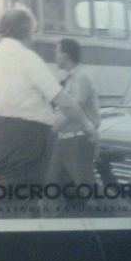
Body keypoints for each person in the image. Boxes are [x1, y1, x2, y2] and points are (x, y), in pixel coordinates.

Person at [0, 9, 96, 218]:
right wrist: (88, 126)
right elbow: (64, 102)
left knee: (7, 194)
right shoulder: (28, 59)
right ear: (26, 33)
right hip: (23, 139)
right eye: (33, 34)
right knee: (15, 203)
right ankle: (11, 241)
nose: (33, 39)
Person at [45, 38, 99, 216]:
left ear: (66, 55)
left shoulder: (81, 76)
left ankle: (128, 214)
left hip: (77, 141)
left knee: (89, 190)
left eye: (56, 52)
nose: (54, 56)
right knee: (49, 186)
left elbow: (72, 111)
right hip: (65, 142)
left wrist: (52, 129)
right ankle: (50, 225)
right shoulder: (71, 78)